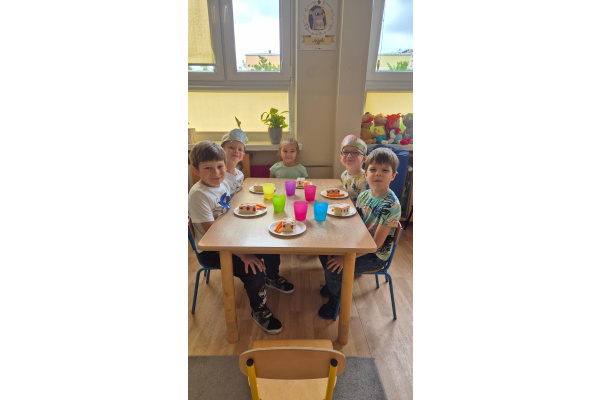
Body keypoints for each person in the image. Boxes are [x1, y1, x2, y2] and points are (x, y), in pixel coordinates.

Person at [188, 141, 295, 334]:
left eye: (220, 166)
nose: (216, 173)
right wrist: (244, 254)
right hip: (213, 249)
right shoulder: (198, 195)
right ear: (196, 170)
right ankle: (259, 311)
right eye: (208, 168)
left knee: (271, 241)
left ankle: (271, 278)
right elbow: (212, 236)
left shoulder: (221, 184)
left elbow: (227, 211)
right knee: (253, 269)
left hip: (230, 237)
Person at [317, 147, 401, 319]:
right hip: (360, 242)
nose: (378, 174)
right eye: (373, 169)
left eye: (385, 170)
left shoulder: (391, 205)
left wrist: (345, 257)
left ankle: (336, 303)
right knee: (323, 248)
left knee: (335, 269)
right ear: (366, 173)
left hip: (375, 254)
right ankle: (333, 284)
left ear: (393, 175)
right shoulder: (364, 196)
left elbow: (376, 245)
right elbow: (356, 223)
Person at [339, 134, 370, 205]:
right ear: (341, 158)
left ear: (364, 159)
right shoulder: (344, 174)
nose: (349, 156)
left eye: (355, 152)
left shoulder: (365, 180)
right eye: (345, 152)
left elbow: (363, 206)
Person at [221, 128, 246, 196]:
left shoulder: (240, 175)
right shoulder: (219, 177)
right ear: (222, 150)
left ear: (243, 156)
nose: (236, 151)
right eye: (231, 147)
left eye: (240, 149)